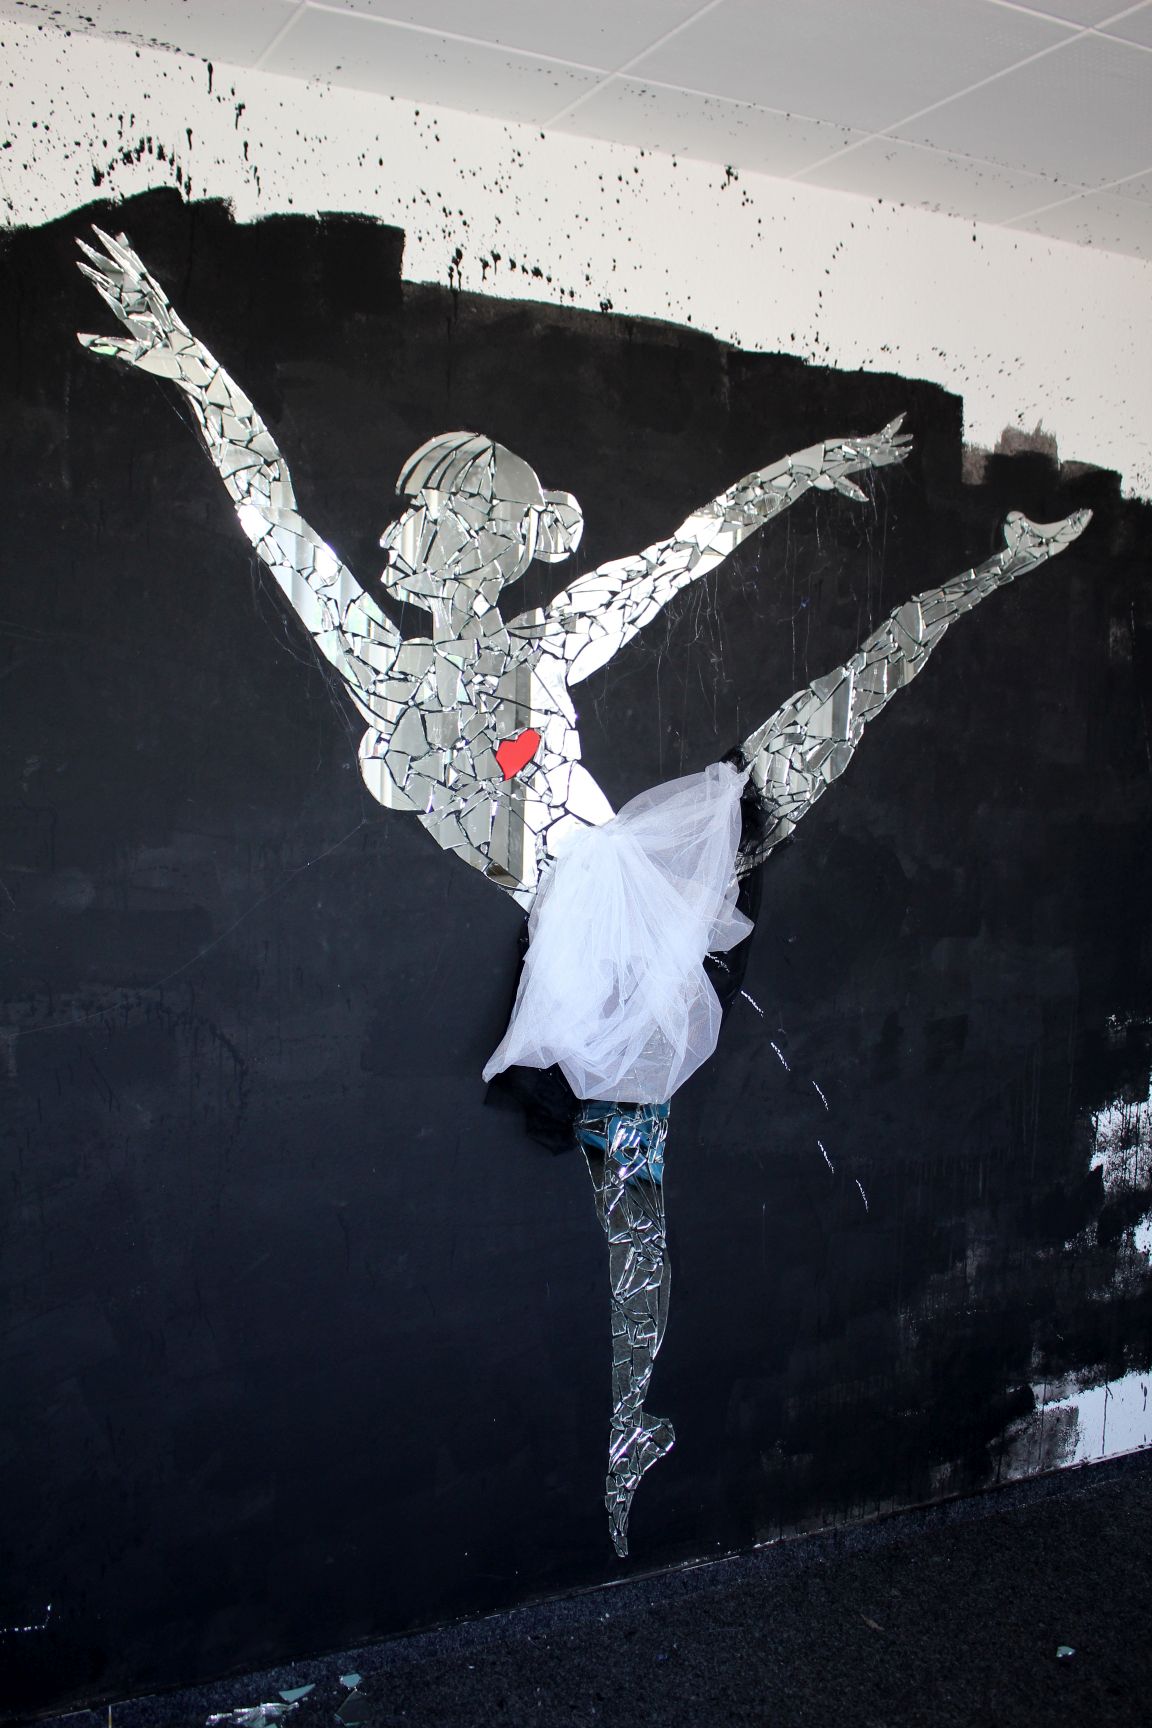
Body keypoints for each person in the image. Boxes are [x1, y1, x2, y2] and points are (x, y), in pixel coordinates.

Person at [78, 227, 1090, 1552]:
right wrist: (192, 365)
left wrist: (806, 467)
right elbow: (275, 521)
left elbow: (690, 550)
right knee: (633, 1207)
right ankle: (629, 1434)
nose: (398, 531)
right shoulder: (386, 672)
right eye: (412, 511)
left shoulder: (545, 644)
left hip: (655, 877)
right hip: (585, 954)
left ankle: (1006, 562)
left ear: (489, 543)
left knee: (843, 698)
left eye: (431, 513)